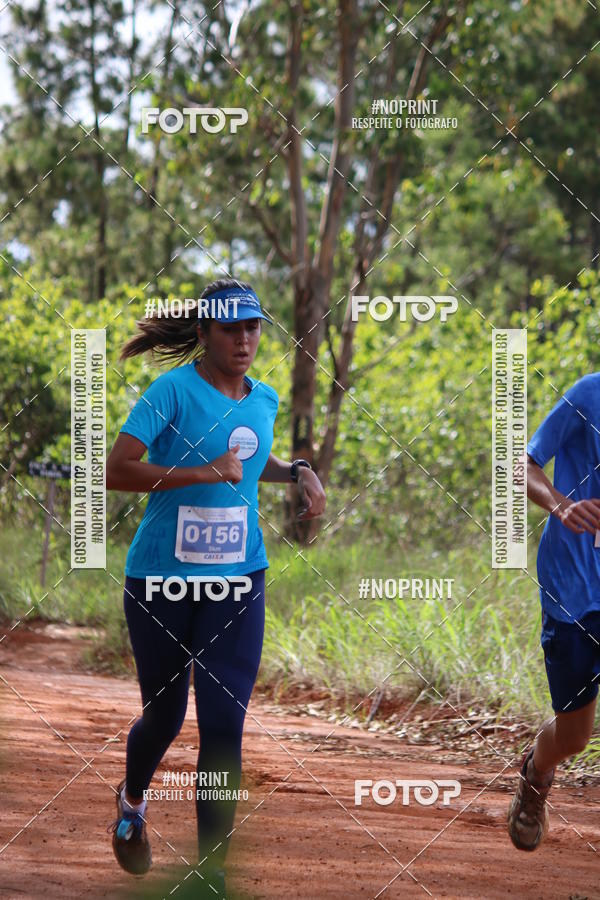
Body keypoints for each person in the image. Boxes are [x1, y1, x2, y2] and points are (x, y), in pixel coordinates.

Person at [105, 278, 326, 896]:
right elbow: (116, 471)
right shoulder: (171, 391)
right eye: (231, 329)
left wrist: (300, 472)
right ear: (203, 334)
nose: (245, 340)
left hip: (237, 581)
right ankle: (132, 804)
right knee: (167, 714)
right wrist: (200, 472)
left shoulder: (266, 398)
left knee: (225, 725)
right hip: (161, 582)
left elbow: (253, 462)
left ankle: (212, 871)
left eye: (253, 328)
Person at [508, 373, 600, 851]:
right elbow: (521, 464)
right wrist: (562, 506)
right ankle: (536, 772)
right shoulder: (588, 395)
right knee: (574, 736)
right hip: (574, 587)